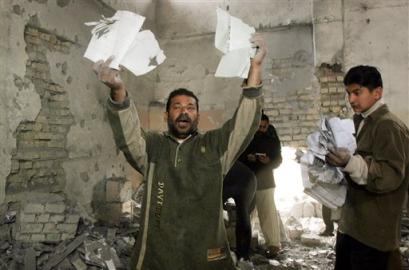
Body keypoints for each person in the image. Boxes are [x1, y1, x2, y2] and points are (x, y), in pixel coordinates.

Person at [92, 34, 267, 270]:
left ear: (197, 115)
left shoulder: (215, 146)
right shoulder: (154, 147)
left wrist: (255, 69)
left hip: (206, 256)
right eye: (177, 107)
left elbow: (244, 124)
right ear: (166, 115)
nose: (184, 112)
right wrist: (119, 90)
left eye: (190, 108)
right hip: (159, 256)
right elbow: (129, 135)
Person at [326, 65, 409, 270]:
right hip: (353, 225)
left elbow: (389, 176)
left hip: (373, 232)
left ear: (377, 92)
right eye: (348, 93)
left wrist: (350, 163)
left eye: (357, 92)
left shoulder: (387, 125)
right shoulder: (362, 120)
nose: (351, 99)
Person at [239, 113, 283, 258]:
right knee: (247, 214)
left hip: (266, 181)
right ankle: (246, 244)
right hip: (248, 181)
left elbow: (278, 160)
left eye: (264, 127)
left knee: (268, 213)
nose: (262, 129)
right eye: (259, 126)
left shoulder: (272, 138)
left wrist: (268, 161)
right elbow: (239, 156)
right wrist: (248, 158)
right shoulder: (247, 137)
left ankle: (273, 245)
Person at [223, 160, 257, 261]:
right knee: (213, 212)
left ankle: (243, 256)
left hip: (246, 180)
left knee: (243, 216)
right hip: (229, 181)